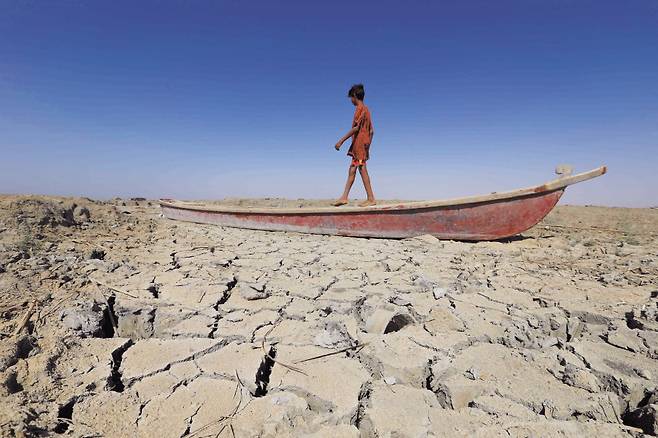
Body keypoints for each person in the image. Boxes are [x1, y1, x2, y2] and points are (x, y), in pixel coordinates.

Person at [333, 83, 376, 207]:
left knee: (362, 168)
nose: (351, 100)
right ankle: (344, 197)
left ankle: (371, 198)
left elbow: (356, 128)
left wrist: (341, 141)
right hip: (362, 145)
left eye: (351, 98)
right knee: (352, 168)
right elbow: (372, 131)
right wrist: (368, 145)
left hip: (359, 144)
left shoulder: (360, 109)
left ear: (354, 96)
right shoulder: (367, 110)